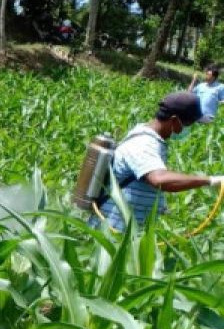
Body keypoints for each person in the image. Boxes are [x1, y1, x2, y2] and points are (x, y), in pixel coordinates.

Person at [96, 91, 224, 231]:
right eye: (189, 124)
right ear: (174, 120)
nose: (190, 129)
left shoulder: (151, 139)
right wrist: (209, 180)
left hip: (128, 230)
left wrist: (158, 206)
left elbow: (143, 181)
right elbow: (159, 179)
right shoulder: (143, 143)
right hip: (113, 231)